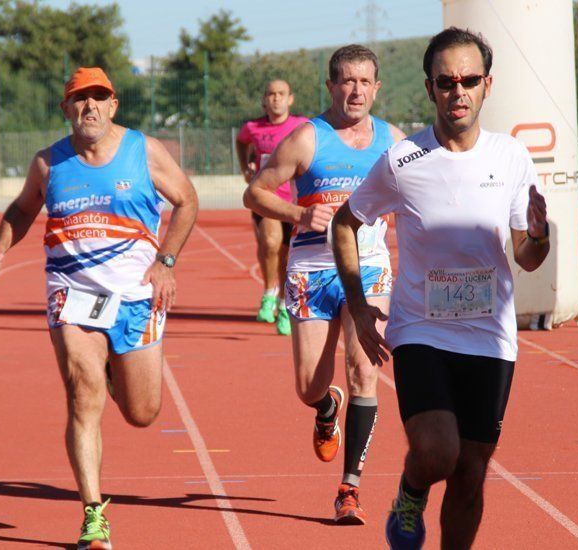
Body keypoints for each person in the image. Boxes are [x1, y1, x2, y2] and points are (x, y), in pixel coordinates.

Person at [330, 28, 550, 549]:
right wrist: (359, 308)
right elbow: (345, 223)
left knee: (471, 471)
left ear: (487, 85)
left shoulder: (512, 157)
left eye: (469, 80)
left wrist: (540, 236)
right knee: (436, 452)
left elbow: (528, 257)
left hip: (490, 337)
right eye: (446, 81)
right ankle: (410, 491)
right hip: (420, 330)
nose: (459, 91)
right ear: (430, 88)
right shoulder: (403, 161)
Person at [0, 67, 198, 550]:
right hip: (72, 293)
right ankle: (93, 515)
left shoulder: (144, 151)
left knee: (142, 413)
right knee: (82, 394)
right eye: (80, 99)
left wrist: (167, 261)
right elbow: (22, 209)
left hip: (136, 295)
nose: (90, 107)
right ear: (66, 109)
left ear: (114, 105)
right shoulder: (49, 163)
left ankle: (118, 372)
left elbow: (187, 200)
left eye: (99, 97)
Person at [244, 45, 405, 524]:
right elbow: (253, 192)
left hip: (369, 269)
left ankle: (349, 490)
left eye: (364, 82)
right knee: (307, 385)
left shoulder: (393, 142)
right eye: (346, 81)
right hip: (311, 272)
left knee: (364, 372)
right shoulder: (305, 139)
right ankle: (325, 406)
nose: (355, 91)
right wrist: (298, 213)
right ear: (332, 86)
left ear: (377, 88)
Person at [236, 79, 308, 335]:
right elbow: (241, 142)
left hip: (295, 200)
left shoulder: (301, 126)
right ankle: (269, 293)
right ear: (264, 100)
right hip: (266, 197)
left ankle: (283, 304)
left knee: (287, 255)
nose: (275, 98)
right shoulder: (253, 127)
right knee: (270, 242)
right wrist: (246, 167)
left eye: (281, 94)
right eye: (271, 94)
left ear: (290, 99)